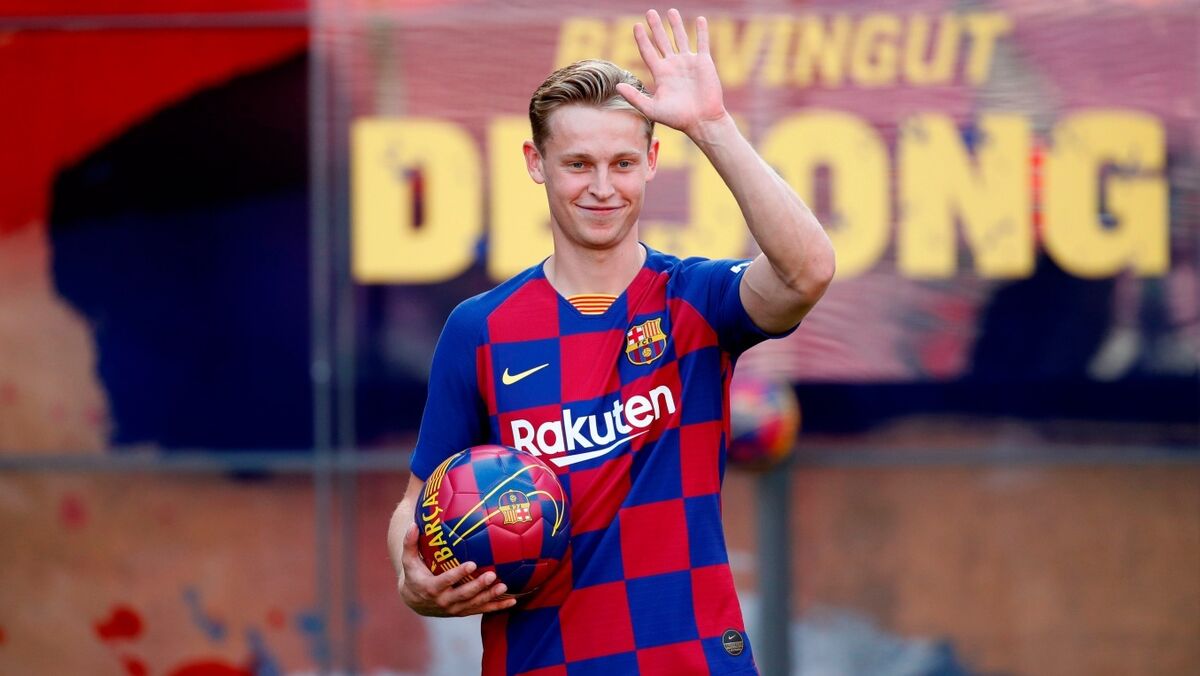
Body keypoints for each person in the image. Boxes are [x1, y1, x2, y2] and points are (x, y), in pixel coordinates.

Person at [387, 8, 834, 674]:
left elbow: (807, 272)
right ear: (536, 163)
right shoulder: (480, 328)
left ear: (651, 161)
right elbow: (417, 500)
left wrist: (712, 126)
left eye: (623, 162)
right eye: (578, 164)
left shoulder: (696, 300)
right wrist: (413, 575)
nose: (602, 187)